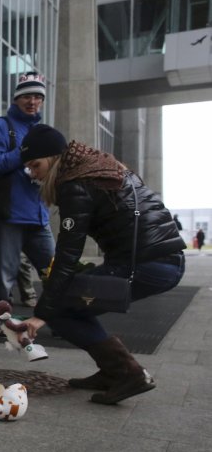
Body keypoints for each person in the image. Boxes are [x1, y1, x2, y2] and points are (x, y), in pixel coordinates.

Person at [20, 125, 186, 404]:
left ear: (53, 158)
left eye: (36, 165)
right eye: (28, 168)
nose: (33, 174)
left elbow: (67, 254)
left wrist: (42, 313)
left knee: (60, 310)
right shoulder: (96, 167)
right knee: (75, 299)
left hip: (150, 264)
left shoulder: (74, 183)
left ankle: (128, 372)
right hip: (161, 260)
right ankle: (112, 371)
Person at [0, 71, 55, 313]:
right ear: (16, 99)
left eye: (37, 97)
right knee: (3, 280)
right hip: (9, 216)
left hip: (38, 215)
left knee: (56, 272)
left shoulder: (43, 130)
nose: (32, 102)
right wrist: (22, 153)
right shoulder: (1, 126)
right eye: (27, 96)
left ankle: (61, 320)